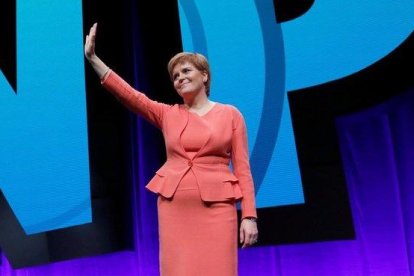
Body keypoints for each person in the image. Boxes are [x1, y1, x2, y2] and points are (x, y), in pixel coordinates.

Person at [84, 22, 258, 276]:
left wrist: (250, 216)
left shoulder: (230, 115)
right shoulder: (168, 114)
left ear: (205, 76)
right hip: (175, 207)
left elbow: (243, 169)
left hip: (218, 207)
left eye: (186, 71)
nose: (180, 78)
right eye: (175, 76)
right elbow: (130, 96)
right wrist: (93, 59)